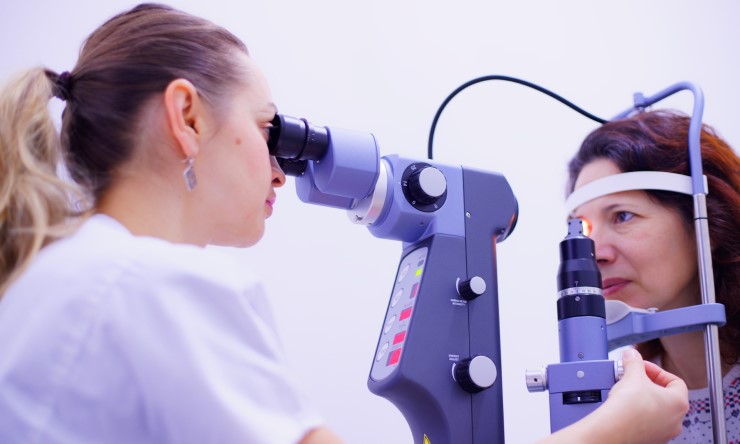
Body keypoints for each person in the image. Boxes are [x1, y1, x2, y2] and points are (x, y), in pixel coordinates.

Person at [0, 3, 688, 443]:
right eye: (269, 130)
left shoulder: (55, 276)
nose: (281, 169)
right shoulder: (158, 286)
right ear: (187, 116)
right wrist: (617, 431)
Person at [565, 109, 740, 443]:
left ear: (708, 224)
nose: (594, 252)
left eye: (622, 216)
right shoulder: (617, 400)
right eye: (583, 230)